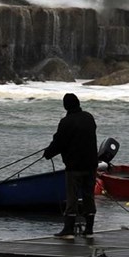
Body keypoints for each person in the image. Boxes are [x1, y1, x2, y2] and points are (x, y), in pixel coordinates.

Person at [43, 92, 97, 239]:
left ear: (66, 106)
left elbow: (59, 142)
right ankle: (89, 230)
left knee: (72, 197)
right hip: (91, 165)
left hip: (74, 167)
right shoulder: (89, 118)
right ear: (78, 103)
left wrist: (48, 153)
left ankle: (68, 230)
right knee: (88, 196)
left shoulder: (66, 122)